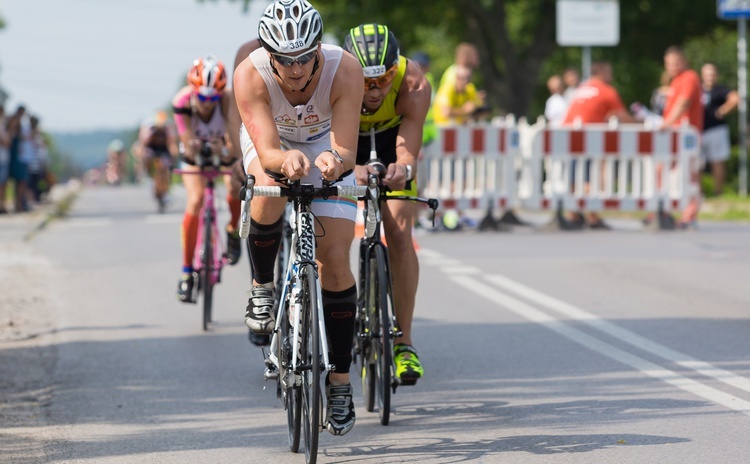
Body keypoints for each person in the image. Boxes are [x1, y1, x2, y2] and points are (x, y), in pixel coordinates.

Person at [234, 0, 364, 436]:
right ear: (268, 53)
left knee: (337, 259)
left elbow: (346, 149)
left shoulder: (344, 69)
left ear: (318, 48)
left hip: (323, 141)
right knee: (267, 190)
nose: (295, 69)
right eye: (285, 60)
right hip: (271, 142)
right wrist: (281, 160)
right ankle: (262, 287)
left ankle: (341, 381)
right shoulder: (250, 74)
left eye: (305, 57)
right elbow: (268, 150)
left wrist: (334, 159)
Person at [343, 23, 431, 386]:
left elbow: (408, 150)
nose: (375, 90)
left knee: (398, 231)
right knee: (329, 232)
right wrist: (351, 169)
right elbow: (332, 146)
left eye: (384, 79)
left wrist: (403, 169)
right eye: (365, 82)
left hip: (392, 139)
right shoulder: (333, 79)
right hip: (347, 141)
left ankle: (404, 343)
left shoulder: (413, 84)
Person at [172, 55, 243, 302]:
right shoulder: (181, 101)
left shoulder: (227, 100)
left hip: (221, 151)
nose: (207, 103)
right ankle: (186, 272)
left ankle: (233, 230)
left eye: (213, 98)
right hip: (195, 156)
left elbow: (234, 145)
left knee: (235, 185)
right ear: (193, 92)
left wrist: (224, 151)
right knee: (196, 199)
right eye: (202, 97)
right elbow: (187, 144)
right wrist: (198, 148)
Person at [562, 61, 638, 228]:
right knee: (588, 177)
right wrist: (639, 123)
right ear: (601, 72)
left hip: (569, 135)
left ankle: (573, 213)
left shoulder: (582, 88)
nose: (611, 76)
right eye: (609, 72)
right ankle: (592, 215)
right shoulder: (606, 91)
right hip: (588, 137)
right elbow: (622, 116)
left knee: (575, 176)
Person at [659, 46, 704, 228]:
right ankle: (663, 209)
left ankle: (689, 215)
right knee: (664, 171)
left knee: (690, 175)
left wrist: (666, 123)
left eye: (676, 62)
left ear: (684, 62)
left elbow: (684, 103)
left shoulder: (689, 77)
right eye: (669, 64)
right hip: (674, 135)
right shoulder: (675, 81)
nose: (673, 66)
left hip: (687, 137)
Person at [700, 62, 738, 196]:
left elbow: (735, 98)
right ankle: (699, 193)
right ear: (702, 75)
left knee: (717, 162)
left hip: (716, 130)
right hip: (699, 131)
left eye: (712, 74)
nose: (710, 77)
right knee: (697, 164)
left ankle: (718, 193)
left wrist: (723, 110)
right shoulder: (698, 90)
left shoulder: (721, 90)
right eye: (707, 74)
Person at [135, 110, 179, 211]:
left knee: (166, 167)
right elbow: (143, 144)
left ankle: (166, 187)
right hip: (151, 147)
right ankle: (149, 175)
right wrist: (142, 157)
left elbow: (171, 143)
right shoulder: (149, 127)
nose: (160, 128)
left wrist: (174, 157)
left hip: (163, 148)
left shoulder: (168, 127)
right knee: (146, 156)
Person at [0, 105, 10, 213]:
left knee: (3, 184)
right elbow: (6, 142)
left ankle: (2, 204)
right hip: (1, 159)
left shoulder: (3, 126)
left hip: (3, 158)